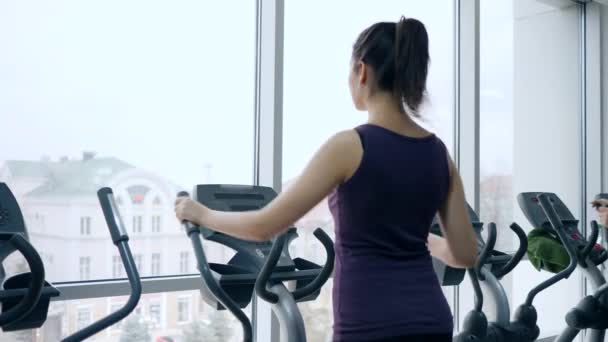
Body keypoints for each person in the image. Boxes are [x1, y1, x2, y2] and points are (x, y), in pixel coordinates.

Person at [175, 16, 477, 342]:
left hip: (370, 326)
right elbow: (465, 254)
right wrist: (420, 239)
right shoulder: (438, 154)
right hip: (432, 321)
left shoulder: (350, 146)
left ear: (362, 71)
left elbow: (264, 226)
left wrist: (200, 213)